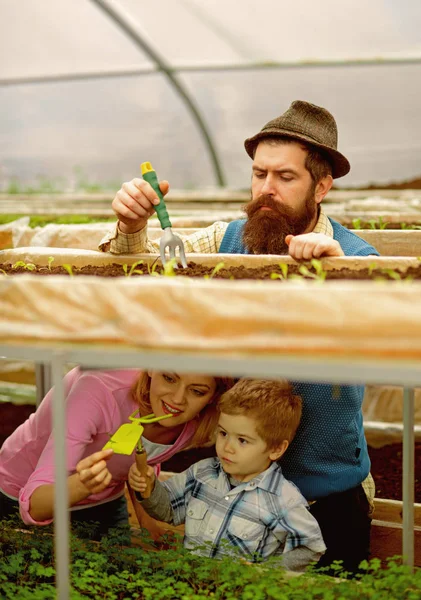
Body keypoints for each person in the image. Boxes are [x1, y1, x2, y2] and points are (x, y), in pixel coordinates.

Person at [99, 99, 379, 574]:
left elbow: (383, 327)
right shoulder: (228, 240)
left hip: (323, 500)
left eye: (285, 177)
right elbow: (146, 272)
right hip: (229, 492)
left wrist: (342, 274)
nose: (266, 190)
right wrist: (130, 226)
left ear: (323, 185)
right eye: (258, 174)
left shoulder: (354, 255)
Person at [0, 367, 234, 540]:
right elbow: (32, 505)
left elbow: (139, 459)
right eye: (169, 378)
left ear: (213, 395)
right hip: (24, 493)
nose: (177, 399)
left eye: (197, 391)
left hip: (104, 500)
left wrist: (145, 518)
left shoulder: (200, 421)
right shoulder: (97, 389)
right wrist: (82, 485)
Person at [128, 378, 326, 571]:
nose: (227, 447)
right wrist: (149, 488)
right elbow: (169, 509)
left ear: (275, 449)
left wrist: (266, 574)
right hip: (191, 585)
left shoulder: (283, 499)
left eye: (242, 440)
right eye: (223, 434)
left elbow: (309, 547)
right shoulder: (202, 473)